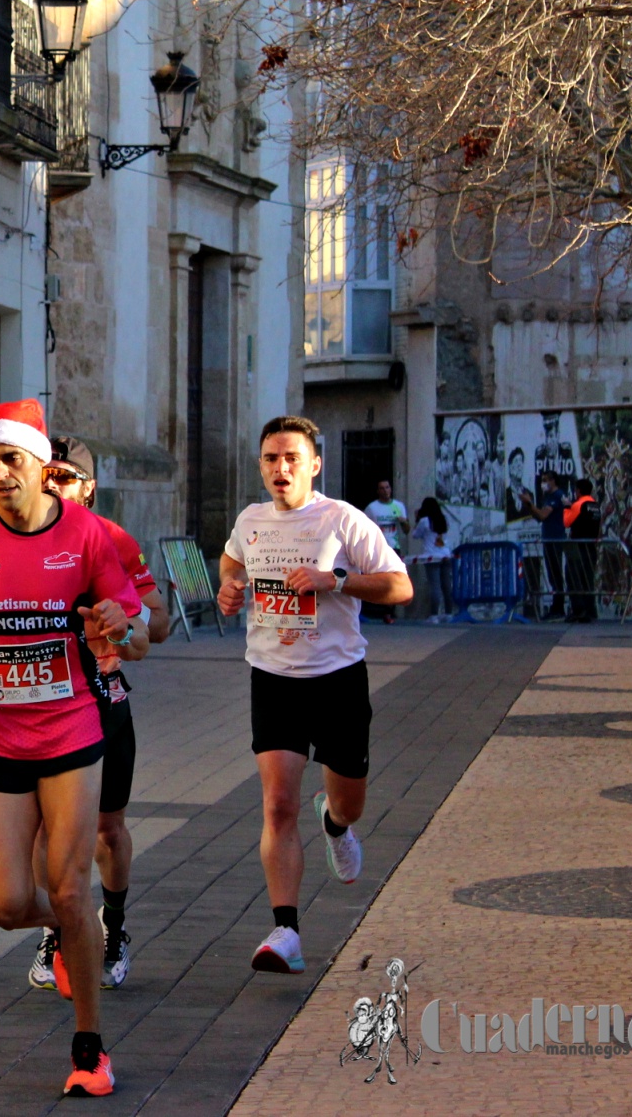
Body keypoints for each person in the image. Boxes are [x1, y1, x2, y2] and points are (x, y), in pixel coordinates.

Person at [0, 400, 148, 1097]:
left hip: (75, 728)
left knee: (72, 881)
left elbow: (133, 622)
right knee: (7, 902)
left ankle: (90, 1051)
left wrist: (119, 616)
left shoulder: (82, 532)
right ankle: (76, 923)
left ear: (41, 465)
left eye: (9, 461)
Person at [216, 416, 411, 974]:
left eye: (292, 458)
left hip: (338, 679)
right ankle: (286, 930)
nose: (281, 469)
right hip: (273, 678)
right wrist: (230, 587)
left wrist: (338, 581)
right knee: (277, 803)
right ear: (260, 465)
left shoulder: (343, 520)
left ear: (314, 464)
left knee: (348, 799)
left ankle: (336, 824)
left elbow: (400, 586)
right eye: (271, 459)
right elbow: (233, 561)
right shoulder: (250, 521)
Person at [28, 437, 172, 997]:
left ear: (87, 488)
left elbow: (157, 625)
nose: (51, 487)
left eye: (64, 478)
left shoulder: (111, 541)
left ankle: (112, 926)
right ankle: (57, 931)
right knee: (45, 831)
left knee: (106, 831)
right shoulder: (16, 539)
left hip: (103, 700)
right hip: (40, 707)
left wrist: (124, 621)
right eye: (46, 475)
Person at [363, 480, 410, 623]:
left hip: (394, 547)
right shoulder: (372, 508)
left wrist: (403, 521)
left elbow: (407, 530)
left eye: (387, 487)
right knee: (380, 578)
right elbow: (364, 528)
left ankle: (389, 612)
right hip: (378, 547)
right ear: (378, 491)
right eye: (382, 488)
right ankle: (380, 609)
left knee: (394, 578)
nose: (385, 490)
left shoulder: (398, 506)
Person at [526, 470, 570, 619]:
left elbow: (543, 515)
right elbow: (540, 518)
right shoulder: (549, 497)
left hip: (555, 539)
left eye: (545, 480)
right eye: (542, 480)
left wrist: (529, 504)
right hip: (549, 539)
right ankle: (556, 606)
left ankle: (558, 607)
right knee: (552, 574)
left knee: (556, 574)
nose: (543, 483)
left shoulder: (557, 496)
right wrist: (530, 508)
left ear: (553, 481)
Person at [407, 498, 455, 622]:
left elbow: (415, 535)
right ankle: (448, 613)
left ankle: (434, 615)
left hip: (432, 556)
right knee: (446, 586)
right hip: (445, 554)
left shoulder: (424, 521)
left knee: (435, 586)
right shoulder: (444, 519)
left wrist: (416, 519)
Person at [564, 477, 602, 623]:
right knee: (588, 579)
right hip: (591, 546)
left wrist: (567, 507)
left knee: (574, 578)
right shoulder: (595, 505)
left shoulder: (578, 505)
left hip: (578, 547)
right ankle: (590, 610)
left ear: (578, 491)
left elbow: (567, 522)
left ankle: (579, 611)